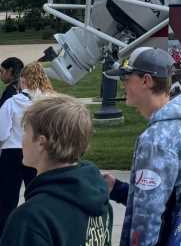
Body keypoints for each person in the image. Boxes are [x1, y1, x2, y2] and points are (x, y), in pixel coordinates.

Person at [103, 47, 181, 246]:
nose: (123, 85)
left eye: (126, 78)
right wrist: (117, 189)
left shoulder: (157, 139)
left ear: (146, 80)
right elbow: (174, 195)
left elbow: (147, 216)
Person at [0, 94, 112, 246]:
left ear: (41, 143)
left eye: (25, 131)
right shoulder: (100, 201)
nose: (22, 139)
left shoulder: (30, 220)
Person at [0, 62, 53, 233]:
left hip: (11, 153)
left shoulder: (11, 103)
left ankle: (5, 234)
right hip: (39, 153)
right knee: (37, 195)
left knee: (7, 199)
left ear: (23, 81)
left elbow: (2, 133)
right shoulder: (49, 103)